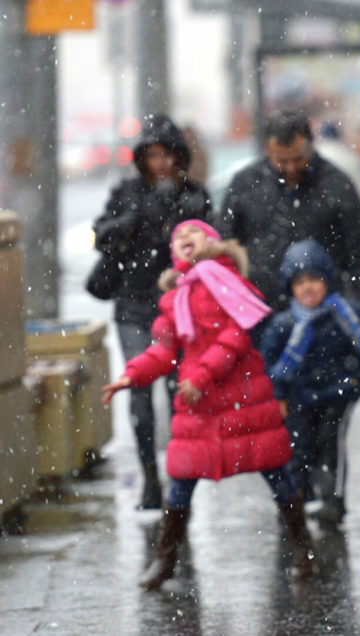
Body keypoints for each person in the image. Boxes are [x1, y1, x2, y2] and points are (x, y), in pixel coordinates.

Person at [100, 220, 314, 589]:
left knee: (276, 472)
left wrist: (202, 375)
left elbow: (236, 335)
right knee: (181, 481)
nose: (184, 239)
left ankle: (302, 548)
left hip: (242, 398)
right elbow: (165, 350)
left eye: (193, 233)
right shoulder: (176, 296)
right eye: (178, 237)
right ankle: (165, 560)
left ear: (212, 243)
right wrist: (132, 375)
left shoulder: (226, 278)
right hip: (198, 405)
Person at [92, 113, 211, 510]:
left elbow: (210, 247)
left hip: (181, 312)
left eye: (167, 154)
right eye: (152, 155)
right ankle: (149, 479)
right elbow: (101, 234)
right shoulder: (126, 193)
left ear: (179, 157)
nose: (160, 163)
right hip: (133, 308)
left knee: (181, 394)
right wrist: (133, 220)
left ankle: (180, 476)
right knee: (139, 396)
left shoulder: (194, 196)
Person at [259, 239, 360, 527]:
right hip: (299, 397)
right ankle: (294, 501)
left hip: (339, 394)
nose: (308, 288)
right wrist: (279, 395)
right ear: (290, 288)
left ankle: (334, 501)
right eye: (300, 282)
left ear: (327, 280)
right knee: (298, 448)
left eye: (314, 279)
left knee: (331, 445)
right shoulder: (285, 325)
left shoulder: (348, 315)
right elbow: (270, 364)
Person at [210, 110, 360, 317]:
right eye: (282, 161)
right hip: (260, 312)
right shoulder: (245, 183)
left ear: (311, 146)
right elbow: (225, 243)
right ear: (267, 150)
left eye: (298, 159)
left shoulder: (336, 184)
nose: (291, 168)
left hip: (325, 315)